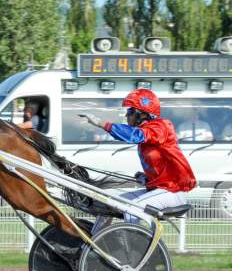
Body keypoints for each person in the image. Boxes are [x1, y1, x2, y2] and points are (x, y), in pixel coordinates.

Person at [79, 88, 196, 234]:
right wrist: (146, 178)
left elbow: (134, 136)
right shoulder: (148, 133)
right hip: (159, 190)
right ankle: (93, 245)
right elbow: (161, 167)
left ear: (141, 114)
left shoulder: (161, 126)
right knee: (107, 203)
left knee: (132, 209)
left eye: (130, 112)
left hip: (172, 193)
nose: (127, 116)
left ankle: (131, 251)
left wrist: (102, 124)